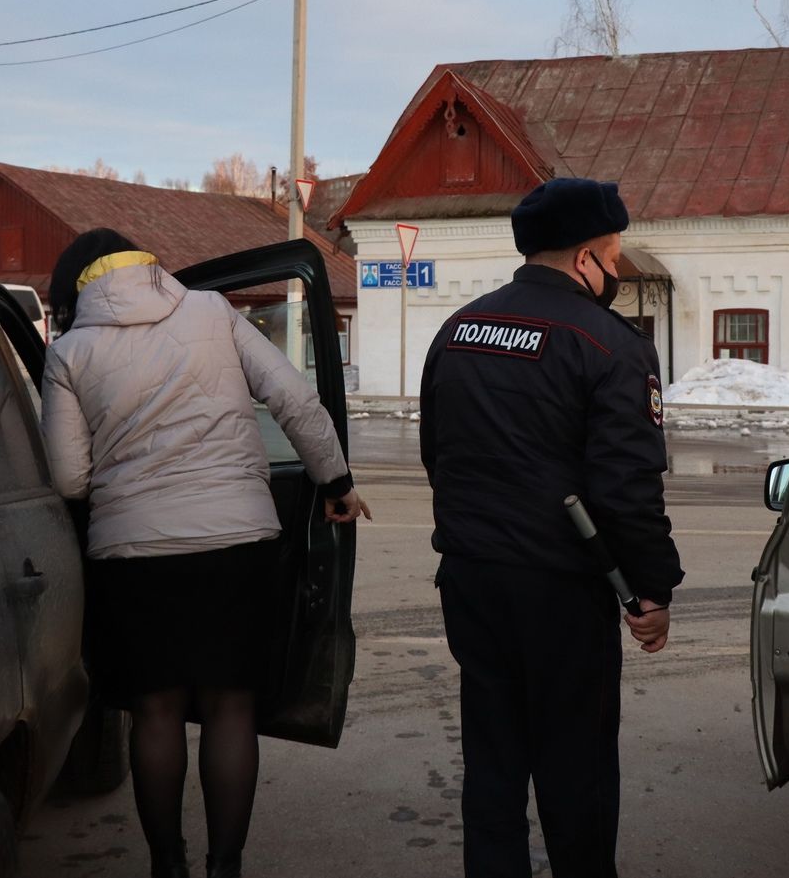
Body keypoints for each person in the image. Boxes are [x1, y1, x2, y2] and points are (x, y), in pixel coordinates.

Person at [41, 228, 370, 878]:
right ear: (146, 265)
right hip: (235, 545)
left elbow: (69, 478)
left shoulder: (70, 352)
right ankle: (226, 866)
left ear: (78, 286)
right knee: (230, 707)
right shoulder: (212, 310)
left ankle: (168, 864)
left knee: (156, 710)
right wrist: (335, 482)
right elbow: (296, 400)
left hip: (131, 554)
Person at [419, 177, 685, 878]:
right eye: (615, 257)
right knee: (578, 772)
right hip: (562, 593)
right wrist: (651, 590)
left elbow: (435, 455)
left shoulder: (458, 330)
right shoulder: (608, 344)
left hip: (471, 580)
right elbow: (627, 488)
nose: (618, 273)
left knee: (493, 764)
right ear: (586, 257)